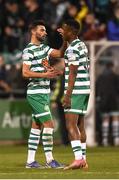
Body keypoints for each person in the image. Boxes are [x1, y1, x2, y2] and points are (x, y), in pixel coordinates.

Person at [22, 20, 67, 168]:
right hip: (35, 93)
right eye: (42, 30)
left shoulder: (44, 48)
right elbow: (25, 72)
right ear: (33, 31)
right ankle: (50, 160)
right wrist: (45, 75)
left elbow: (60, 53)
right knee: (49, 124)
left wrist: (65, 38)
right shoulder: (28, 51)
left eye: (45, 30)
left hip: (44, 92)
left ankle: (30, 161)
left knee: (36, 126)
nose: (45, 33)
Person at [62, 19, 90, 170]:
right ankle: (84, 160)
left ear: (71, 32)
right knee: (80, 125)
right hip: (85, 88)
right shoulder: (81, 45)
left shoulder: (72, 49)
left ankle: (78, 159)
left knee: (70, 124)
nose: (62, 31)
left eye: (64, 29)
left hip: (76, 90)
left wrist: (67, 95)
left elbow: (72, 72)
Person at [96, 61, 119, 146]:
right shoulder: (115, 76)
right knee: (115, 118)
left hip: (103, 100)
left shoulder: (100, 77)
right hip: (113, 100)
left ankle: (105, 140)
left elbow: (97, 89)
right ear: (112, 66)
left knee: (105, 119)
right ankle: (116, 139)